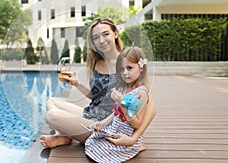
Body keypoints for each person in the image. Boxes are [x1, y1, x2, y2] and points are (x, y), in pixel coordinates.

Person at [40, 17, 123, 148]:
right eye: (96, 37)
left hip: (106, 125)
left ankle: (62, 136)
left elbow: (130, 104)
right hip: (91, 113)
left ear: (115, 33)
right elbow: (96, 97)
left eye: (105, 34)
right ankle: (63, 136)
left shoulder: (126, 63)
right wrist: (77, 83)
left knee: (52, 115)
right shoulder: (96, 61)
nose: (101, 40)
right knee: (52, 101)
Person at [84, 46, 156, 162]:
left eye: (129, 68)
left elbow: (136, 124)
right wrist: (102, 123)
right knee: (92, 140)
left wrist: (122, 102)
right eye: (122, 69)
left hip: (126, 135)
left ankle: (136, 147)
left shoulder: (141, 93)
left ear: (141, 67)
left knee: (102, 150)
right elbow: (116, 113)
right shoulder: (123, 87)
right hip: (116, 129)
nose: (125, 73)